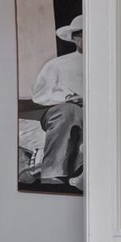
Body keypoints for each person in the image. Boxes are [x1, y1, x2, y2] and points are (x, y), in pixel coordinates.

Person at [32, 14, 84, 190]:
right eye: (82, 34)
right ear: (75, 38)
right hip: (63, 111)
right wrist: (68, 98)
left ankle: (82, 174)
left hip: (94, 112)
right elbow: (39, 96)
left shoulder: (108, 62)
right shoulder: (57, 65)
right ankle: (52, 173)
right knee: (70, 112)